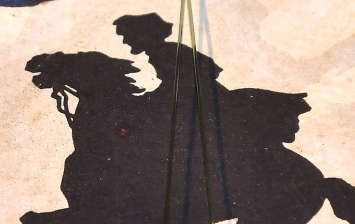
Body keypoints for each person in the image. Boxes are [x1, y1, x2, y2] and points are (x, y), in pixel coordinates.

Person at [113, 12, 311, 145]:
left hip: (203, 99)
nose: (125, 41)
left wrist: (157, 96)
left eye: (126, 36)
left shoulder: (167, 51)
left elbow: (204, 71)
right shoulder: (161, 52)